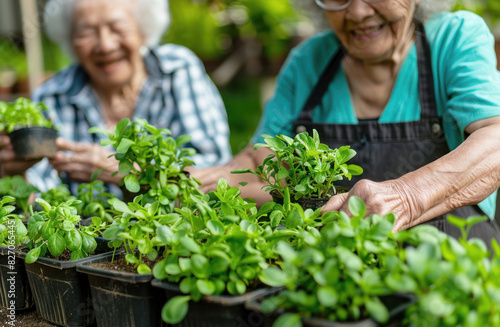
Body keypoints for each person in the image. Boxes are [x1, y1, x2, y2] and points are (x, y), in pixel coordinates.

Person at [191, 0, 500, 245]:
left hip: (450, 269)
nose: (356, 11)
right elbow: (258, 160)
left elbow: (495, 138)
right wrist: (196, 182)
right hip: (338, 272)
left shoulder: (454, 37)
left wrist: (406, 197)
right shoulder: (308, 60)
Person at [0, 0, 231, 196]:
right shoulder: (51, 96)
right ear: (70, 40)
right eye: (86, 32)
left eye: (117, 27)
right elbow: (41, 197)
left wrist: (127, 171)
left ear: (143, 30)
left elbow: (214, 167)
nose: (105, 45)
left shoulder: (177, 69)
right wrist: (15, 173)